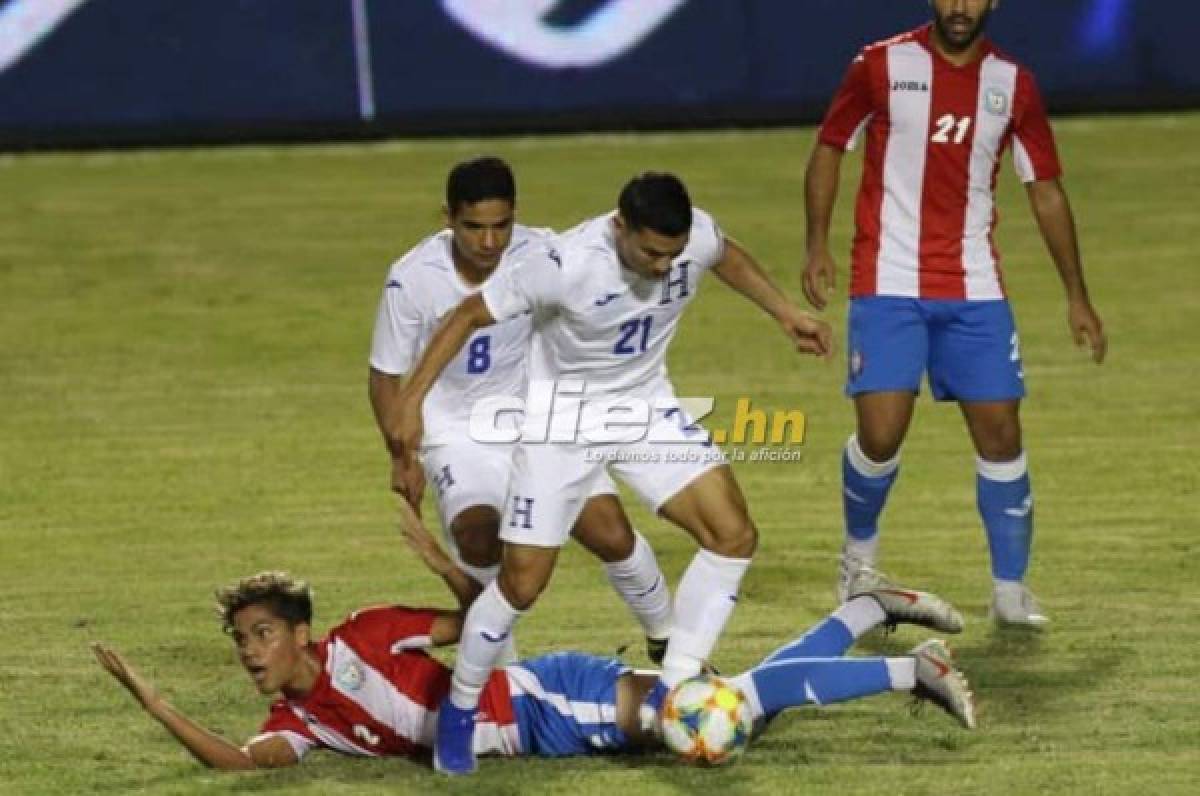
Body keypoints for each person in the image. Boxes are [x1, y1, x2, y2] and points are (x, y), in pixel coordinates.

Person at [391, 172, 833, 773]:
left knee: (733, 535)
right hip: (562, 424)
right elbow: (468, 314)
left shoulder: (692, 236)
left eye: (672, 256)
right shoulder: (563, 265)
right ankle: (461, 716)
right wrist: (412, 402)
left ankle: (676, 685)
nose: (662, 267)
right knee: (522, 584)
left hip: (644, 407)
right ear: (620, 226)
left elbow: (725, 256)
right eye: (651, 253)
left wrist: (784, 312)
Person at [89, 504, 975, 771]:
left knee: (719, 714)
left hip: (544, 696)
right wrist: (150, 698)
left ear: (300, 633)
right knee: (730, 705)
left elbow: (481, 619)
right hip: (544, 738)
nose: (249, 651)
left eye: (261, 634)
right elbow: (236, 764)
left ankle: (910, 669)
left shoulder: (369, 638)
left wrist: (445, 563)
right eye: (241, 640)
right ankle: (868, 611)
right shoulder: (306, 725)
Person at [802, 0, 1107, 625]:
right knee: (881, 433)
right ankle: (859, 559)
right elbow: (831, 146)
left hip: (974, 286)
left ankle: (1010, 591)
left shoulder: (1013, 84)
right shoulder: (879, 64)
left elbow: (1044, 188)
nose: (960, 7)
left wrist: (1076, 293)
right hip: (886, 277)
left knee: (1001, 434)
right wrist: (816, 245)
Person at [368, 156, 672, 664]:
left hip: (538, 415)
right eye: (474, 227)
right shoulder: (412, 277)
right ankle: (502, 681)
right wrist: (401, 454)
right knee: (479, 539)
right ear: (447, 218)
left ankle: (670, 642)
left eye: (500, 226)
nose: (489, 243)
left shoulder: (542, 252)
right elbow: (384, 375)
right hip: (455, 429)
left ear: (516, 216)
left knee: (610, 533)